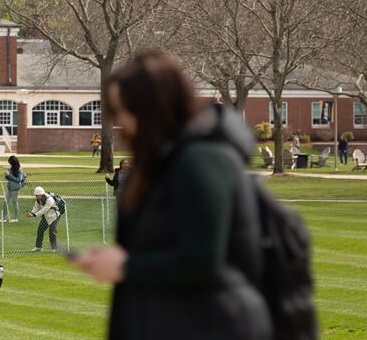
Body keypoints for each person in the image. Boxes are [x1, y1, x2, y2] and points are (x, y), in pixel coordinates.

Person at [71, 49, 272, 340]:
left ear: (153, 108)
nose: (122, 122)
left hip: (211, 325)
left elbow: (204, 258)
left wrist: (125, 266)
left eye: (126, 110)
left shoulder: (199, 161)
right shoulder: (158, 166)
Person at [27, 186, 63, 252]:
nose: (36, 197)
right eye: (36, 196)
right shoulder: (38, 199)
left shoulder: (50, 200)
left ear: (42, 194)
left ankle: (54, 248)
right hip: (46, 217)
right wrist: (32, 212)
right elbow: (36, 207)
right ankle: (38, 247)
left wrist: (34, 215)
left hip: (54, 217)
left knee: (52, 232)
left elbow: (44, 210)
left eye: (38, 196)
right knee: (40, 230)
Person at [3, 155, 26, 222]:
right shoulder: (9, 169)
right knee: (5, 202)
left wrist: (10, 175)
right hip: (9, 187)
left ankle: (15, 218)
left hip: (15, 188)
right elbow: (8, 178)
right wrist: (6, 176)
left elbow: (19, 179)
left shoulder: (19, 170)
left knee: (14, 202)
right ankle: (4, 218)